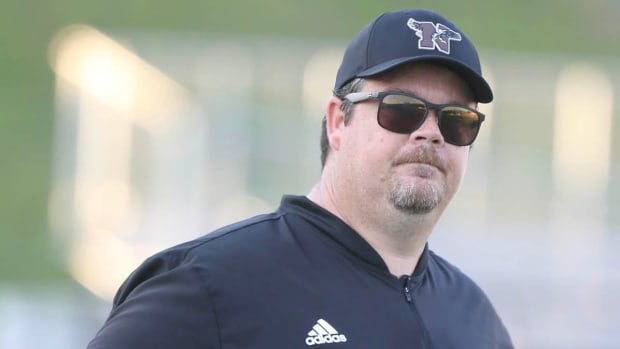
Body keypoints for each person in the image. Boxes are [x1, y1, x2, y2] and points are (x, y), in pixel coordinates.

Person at [88, 8, 514, 349]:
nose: (431, 132)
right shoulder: (210, 285)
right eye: (401, 108)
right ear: (337, 122)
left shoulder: (474, 317)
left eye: (458, 120)